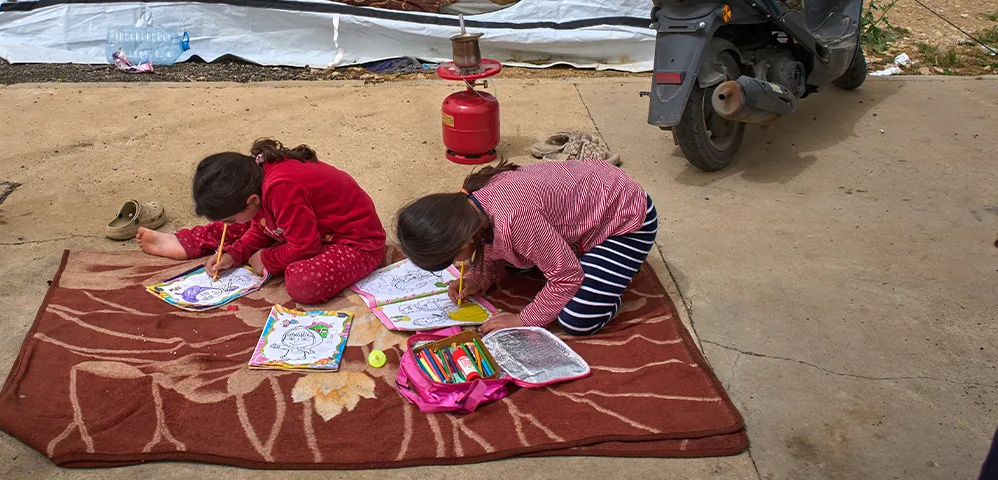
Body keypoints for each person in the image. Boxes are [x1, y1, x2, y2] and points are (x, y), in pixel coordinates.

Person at [395, 159, 658, 336]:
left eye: (451, 259)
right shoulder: (471, 210)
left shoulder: (515, 220)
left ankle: (615, 283)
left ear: (462, 240)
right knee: (520, 256)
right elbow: (491, 246)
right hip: (588, 205)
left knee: (577, 320)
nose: (455, 266)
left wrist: (523, 319)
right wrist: (478, 277)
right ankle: (596, 262)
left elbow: (567, 277)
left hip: (626, 218)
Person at [136, 139, 387, 304]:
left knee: (302, 283)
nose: (230, 223)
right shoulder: (255, 183)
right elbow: (261, 226)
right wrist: (236, 254)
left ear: (252, 199)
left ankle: (195, 239)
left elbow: (306, 247)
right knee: (240, 227)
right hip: (308, 228)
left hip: (357, 242)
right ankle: (186, 241)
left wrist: (266, 258)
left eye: (230, 217)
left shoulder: (280, 188)